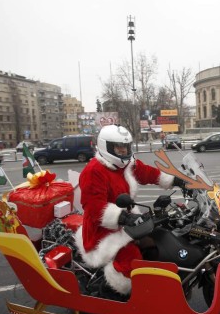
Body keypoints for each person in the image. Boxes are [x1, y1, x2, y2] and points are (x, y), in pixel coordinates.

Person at [74, 124, 185, 297]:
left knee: (158, 239)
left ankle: (159, 283)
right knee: (130, 260)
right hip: (103, 230)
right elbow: (94, 208)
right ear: (106, 146)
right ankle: (113, 292)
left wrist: (176, 181)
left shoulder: (125, 165)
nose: (123, 150)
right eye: (118, 147)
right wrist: (123, 217)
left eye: (126, 146)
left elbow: (147, 172)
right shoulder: (93, 171)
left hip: (128, 220)